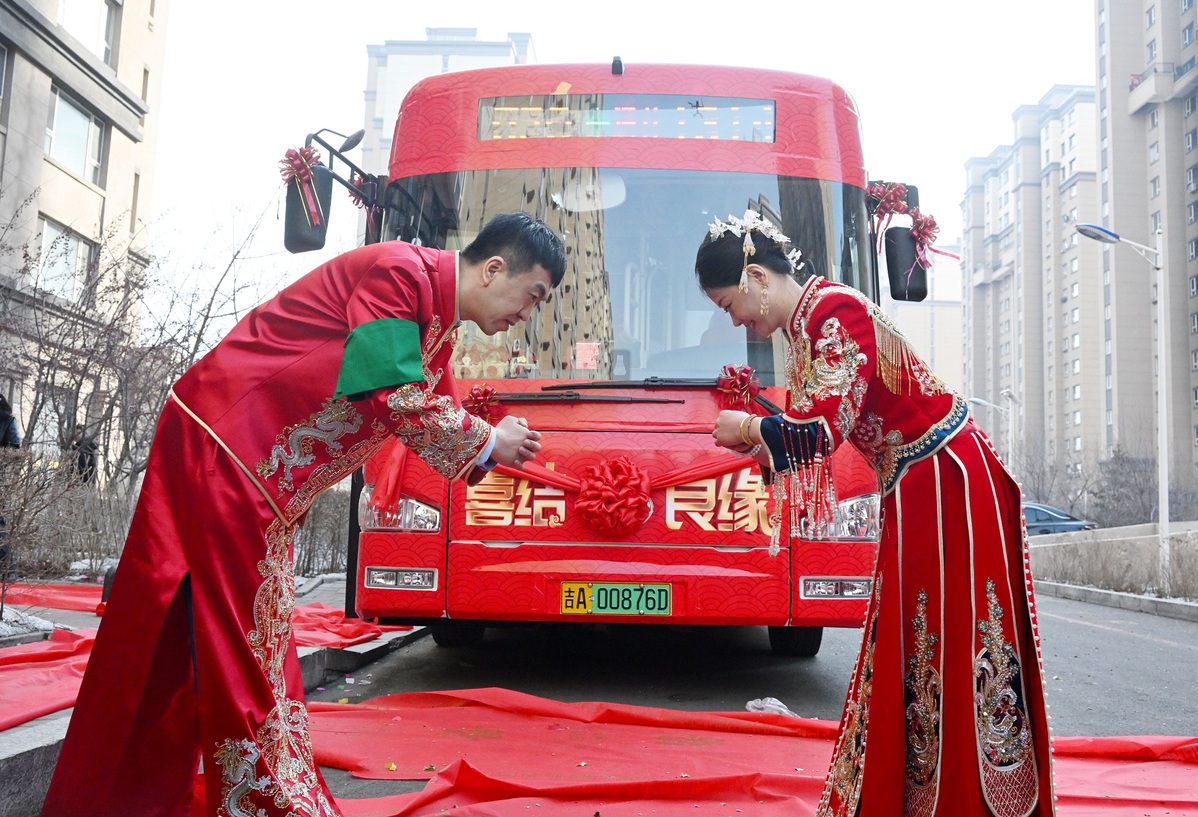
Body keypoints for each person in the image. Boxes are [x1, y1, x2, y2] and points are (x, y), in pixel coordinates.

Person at [41, 212, 567, 817]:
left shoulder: (436, 327)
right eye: (534, 296)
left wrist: (489, 447)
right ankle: (274, 804)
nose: (527, 316)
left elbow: (433, 417)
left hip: (256, 472)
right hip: (230, 447)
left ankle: (131, 799)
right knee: (252, 638)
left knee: (192, 637)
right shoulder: (399, 273)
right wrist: (485, 440)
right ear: (494, 268)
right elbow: (394, 395)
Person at [697, 212, 1054, 817]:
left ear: (757, 276)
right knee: (916, 642)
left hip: (945, 481)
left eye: (730, 303)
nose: (734, 320)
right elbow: (818, 434)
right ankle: (922, 794)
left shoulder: (835, 315)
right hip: (918, 482)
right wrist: (761, 441)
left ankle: (967, 797)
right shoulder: (810, 325)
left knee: (951, 642)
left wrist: (751, 426)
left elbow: (819, 432)